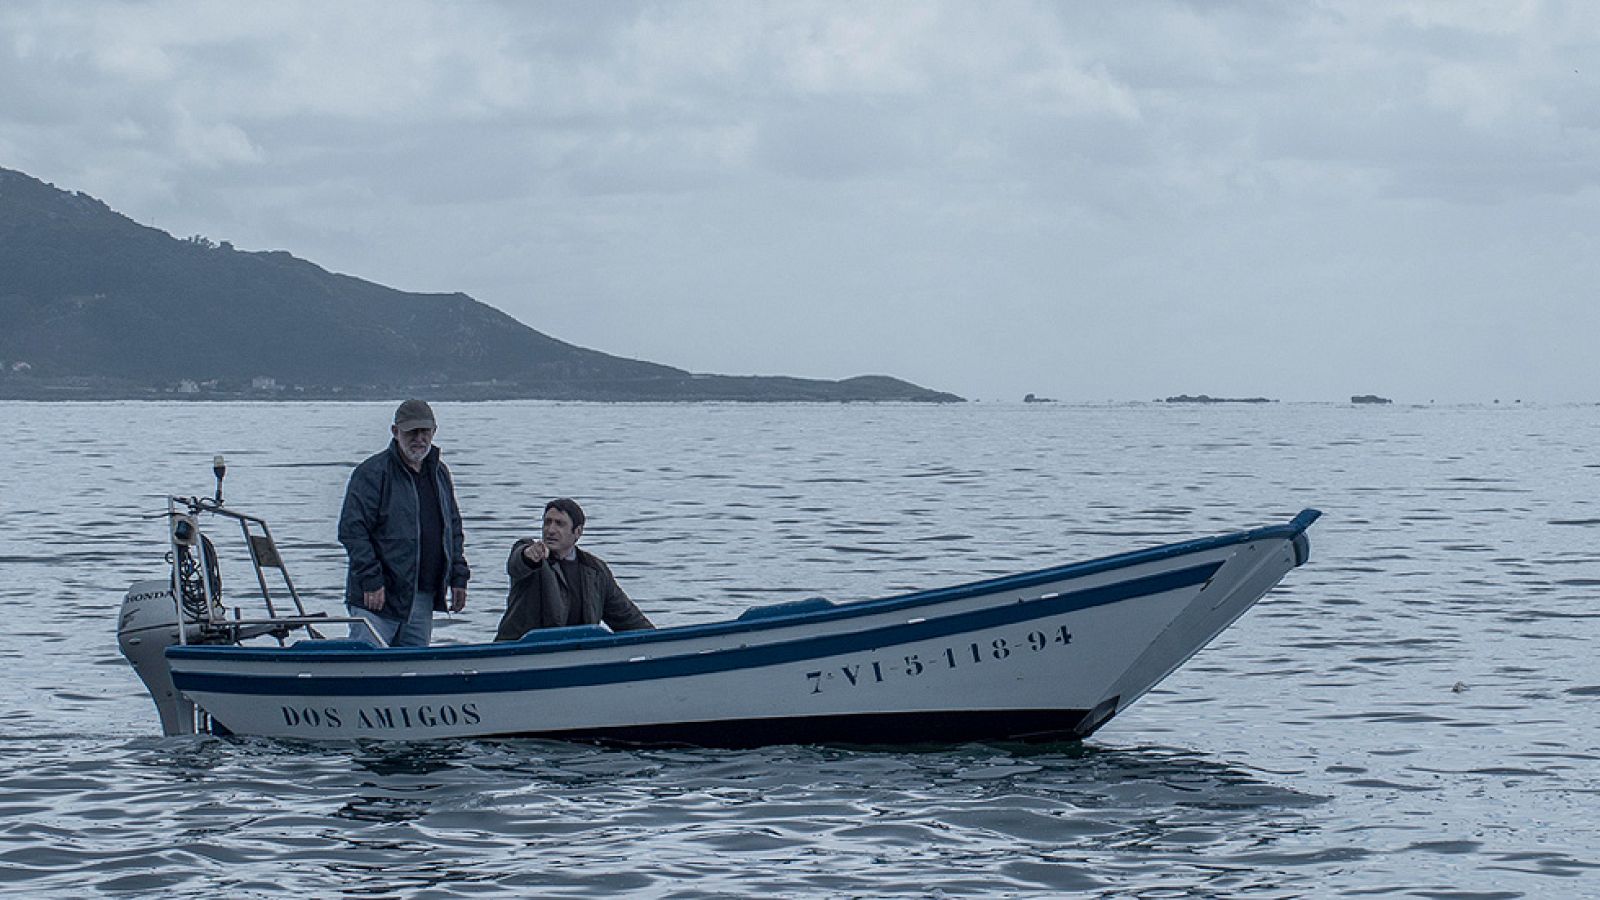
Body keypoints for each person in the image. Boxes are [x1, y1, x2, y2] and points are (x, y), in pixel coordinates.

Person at [337, 399, 469, 647]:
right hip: (377, 598)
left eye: (425, 431)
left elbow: (453, 529)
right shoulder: (372, 473)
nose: (419, 438)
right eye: (411, 432)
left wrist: (458, 578)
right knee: (368, 670)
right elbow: (352, 531)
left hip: (422, 597)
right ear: (395, 432)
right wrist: (371, 580)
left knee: (414, 674)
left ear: (434, 432)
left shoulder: (440, 473)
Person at [494, 498, 653, 641]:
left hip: (577, 654)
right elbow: (517, 563)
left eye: (559, 524)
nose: (550, 530)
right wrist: (528, 555)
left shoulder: (595, 570)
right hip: (520, 651)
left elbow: (626, 617)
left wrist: (657, 640)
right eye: (547, 522)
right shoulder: (531, 554)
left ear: (577, 532)